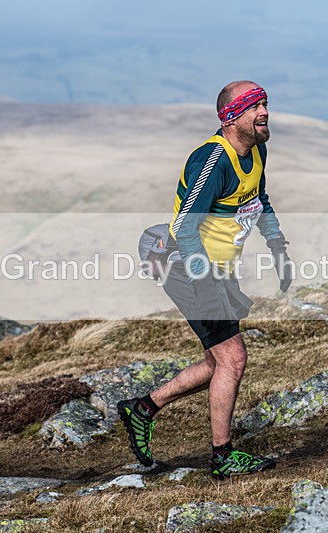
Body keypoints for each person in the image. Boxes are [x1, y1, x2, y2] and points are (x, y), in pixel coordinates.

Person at [117, 80, 293, 479]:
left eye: (265, 103)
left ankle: (142, 409)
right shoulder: (214, 160)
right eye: (254, 106)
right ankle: (222, 456)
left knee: (218, 362)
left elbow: (258, 200)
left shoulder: (257, 151)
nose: (264, 112)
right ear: (231, 117)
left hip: (214, 268)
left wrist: (278, 247)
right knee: (233, 358)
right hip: (188, 266)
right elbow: (184, 225)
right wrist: (202, 277)